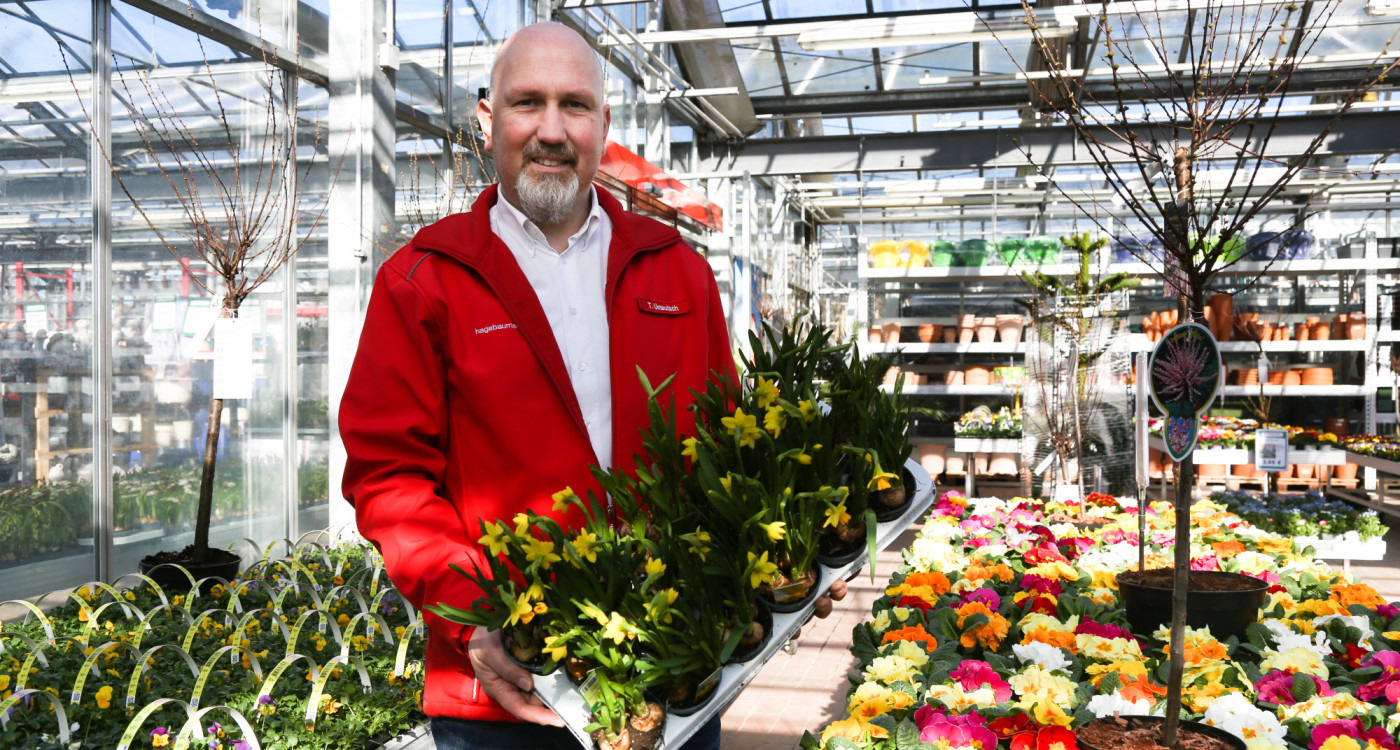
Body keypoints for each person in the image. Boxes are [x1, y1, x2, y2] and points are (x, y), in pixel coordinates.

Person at [340, 21, 845, 750]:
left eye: (574, 105)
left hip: (674, 670)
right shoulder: (425, 281)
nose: (551, 130)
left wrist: (788, 550)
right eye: (527, 102)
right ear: (487, 120)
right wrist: (471, 616)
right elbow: (389, 474)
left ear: (603, 126)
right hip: (508, 688)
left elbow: (725, 448)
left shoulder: (676, 272)